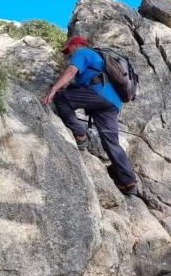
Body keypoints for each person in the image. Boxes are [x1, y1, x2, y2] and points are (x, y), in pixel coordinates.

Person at [41, 35, 139, 196]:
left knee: (61, 98)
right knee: (111, 143)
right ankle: (129, 183)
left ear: (76, 45)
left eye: (69, 50)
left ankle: (80, 135)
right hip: (113, 104)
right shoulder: (98, 59)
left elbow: (72, 71)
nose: (69, 54)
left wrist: (53, 89)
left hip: (98, 94)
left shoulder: (82, 52)